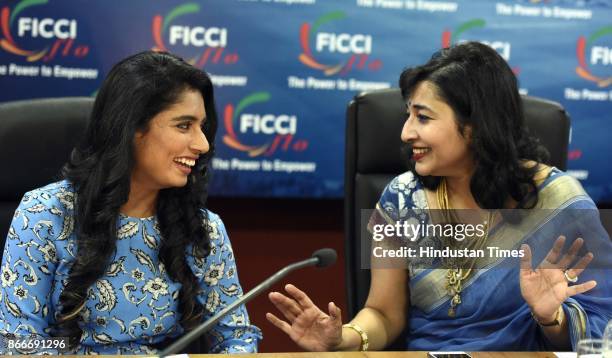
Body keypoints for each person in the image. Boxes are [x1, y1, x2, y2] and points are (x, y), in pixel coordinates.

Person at [266, 42, 612, 352]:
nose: (405, 132)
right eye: (407, 116)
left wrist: (551, 317)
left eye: (423, 117)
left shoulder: (556, 201)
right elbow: (384, 314)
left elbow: (600, 331)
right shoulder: (400, 199)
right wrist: (345, 338)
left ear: (475, 124)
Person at [0, 51, 261, 354]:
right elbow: (17, 343)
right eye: (183, 125)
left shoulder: (203, 228)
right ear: (132, 128)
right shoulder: (44, 214)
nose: (202, 144)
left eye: (202, 126)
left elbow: (237, 338)